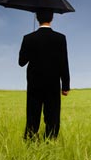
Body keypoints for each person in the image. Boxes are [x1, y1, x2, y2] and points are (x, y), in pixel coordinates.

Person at [18, 9, 70, 141]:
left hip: (34, 83)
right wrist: (65, 86)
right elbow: (64, 62)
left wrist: (29, 47)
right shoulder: (60, 38)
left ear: (36, 18)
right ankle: (51, 141)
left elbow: (21, 62)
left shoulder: (28, 38)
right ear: (52, 18)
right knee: (52, 114)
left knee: (32, 113)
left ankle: (30, 141)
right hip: (53, 83)